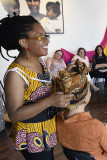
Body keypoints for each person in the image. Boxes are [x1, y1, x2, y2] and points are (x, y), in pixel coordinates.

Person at [1, 15, 74, 160]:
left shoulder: (40, 61)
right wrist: (49, 102)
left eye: (46, 36)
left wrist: (67, 74)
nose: (47, 40)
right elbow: (14, 115)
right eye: (40, 37)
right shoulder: (16, 74)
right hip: (32, 134)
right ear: (23, 42)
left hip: (48, 126)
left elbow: (48, 88)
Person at [57, 87, 107, 160]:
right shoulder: (94, 126)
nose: (90, 92)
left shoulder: (58, 119)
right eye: (89, 89)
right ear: (84, 99)